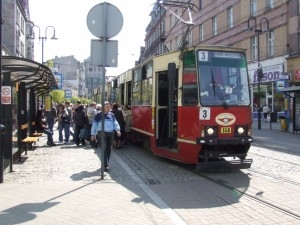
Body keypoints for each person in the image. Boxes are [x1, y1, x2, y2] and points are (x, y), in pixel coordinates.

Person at [91, 101, 121, 172]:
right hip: (101, 133)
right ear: (103, 108)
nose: (109, 107)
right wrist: (93, 134)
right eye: (107, 106)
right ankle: (105, 165)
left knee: (109, 149)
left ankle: (106, 162)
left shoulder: (112, 115)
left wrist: (118, 130)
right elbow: (94, 125)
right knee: (103, 148)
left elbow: (115, 123)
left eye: (109, 106)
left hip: (110, 133)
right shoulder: (98, 115)